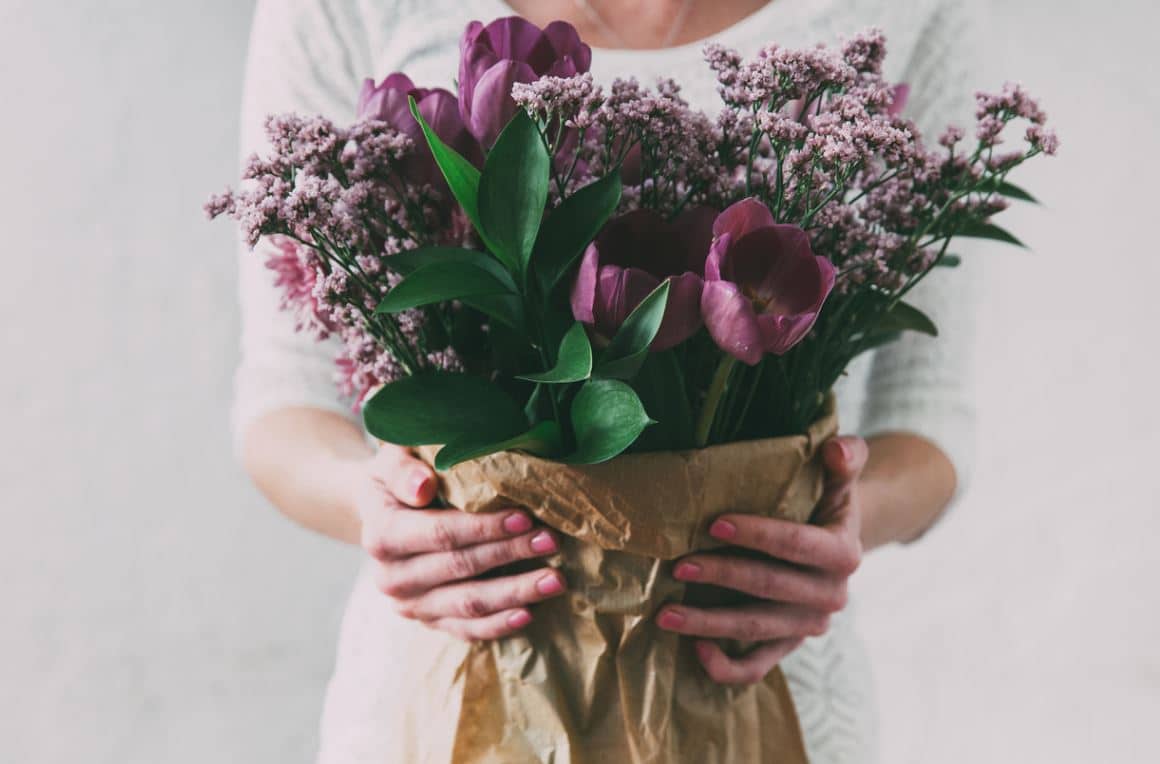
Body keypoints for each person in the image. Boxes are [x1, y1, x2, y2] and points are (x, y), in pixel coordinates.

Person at [233, 1, 980, 761]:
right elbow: (281, 396)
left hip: (759, 692)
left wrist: (835, 532)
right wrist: (375, 506)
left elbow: (932, 418)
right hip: (457, 692)